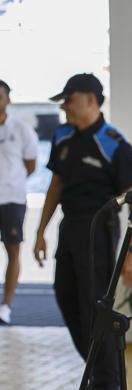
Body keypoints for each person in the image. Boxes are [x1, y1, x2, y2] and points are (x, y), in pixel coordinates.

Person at [33, 73, 132, 390]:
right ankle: (99, 375)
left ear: (92, 101)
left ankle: (109, 387)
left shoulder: (114, 142)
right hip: (71, 227)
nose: (64, 106)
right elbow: (55, 185)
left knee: (94, 308)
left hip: (100, 230)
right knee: (66, 298)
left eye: (69, 99)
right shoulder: (63, 136)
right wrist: (41, 231)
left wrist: (131, 253)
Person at [0, 79, 38, 325]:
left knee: (13, 250)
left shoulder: (21, 129)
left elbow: (31, 165)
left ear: (8, 99)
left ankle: (6, 306)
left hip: (12, 198)